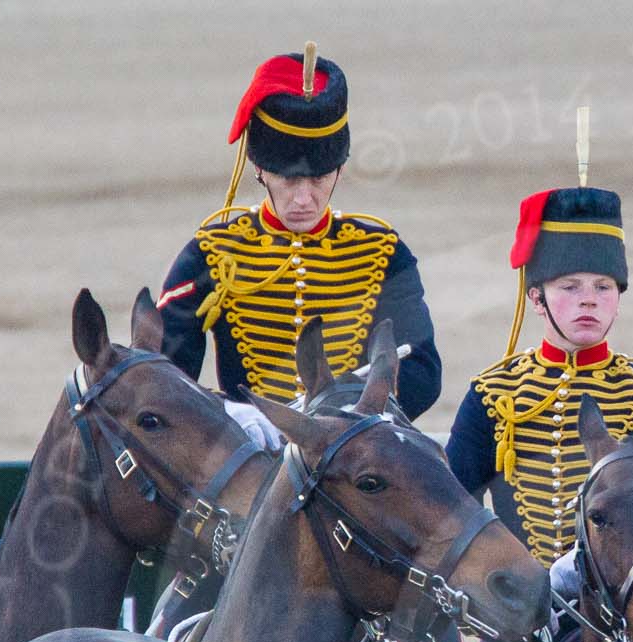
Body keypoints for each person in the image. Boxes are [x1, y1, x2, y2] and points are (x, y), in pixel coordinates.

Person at [445, 185, 633, 642]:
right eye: (569, 286)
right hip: (520, 620)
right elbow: (448, 511)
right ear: (536, 298)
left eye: (603, 286)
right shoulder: (493, 393)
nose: (589, 300)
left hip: (628, 611)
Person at [158, 49, 442, 441]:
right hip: (249, 451)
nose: (304, 199)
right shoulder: (212, 253)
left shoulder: (384, 253)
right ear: (259, 169)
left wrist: (351, 414)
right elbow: (165, 373)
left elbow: (423, 370)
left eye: (320, 179)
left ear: (340, 169)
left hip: (352, 453)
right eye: (289, 180)